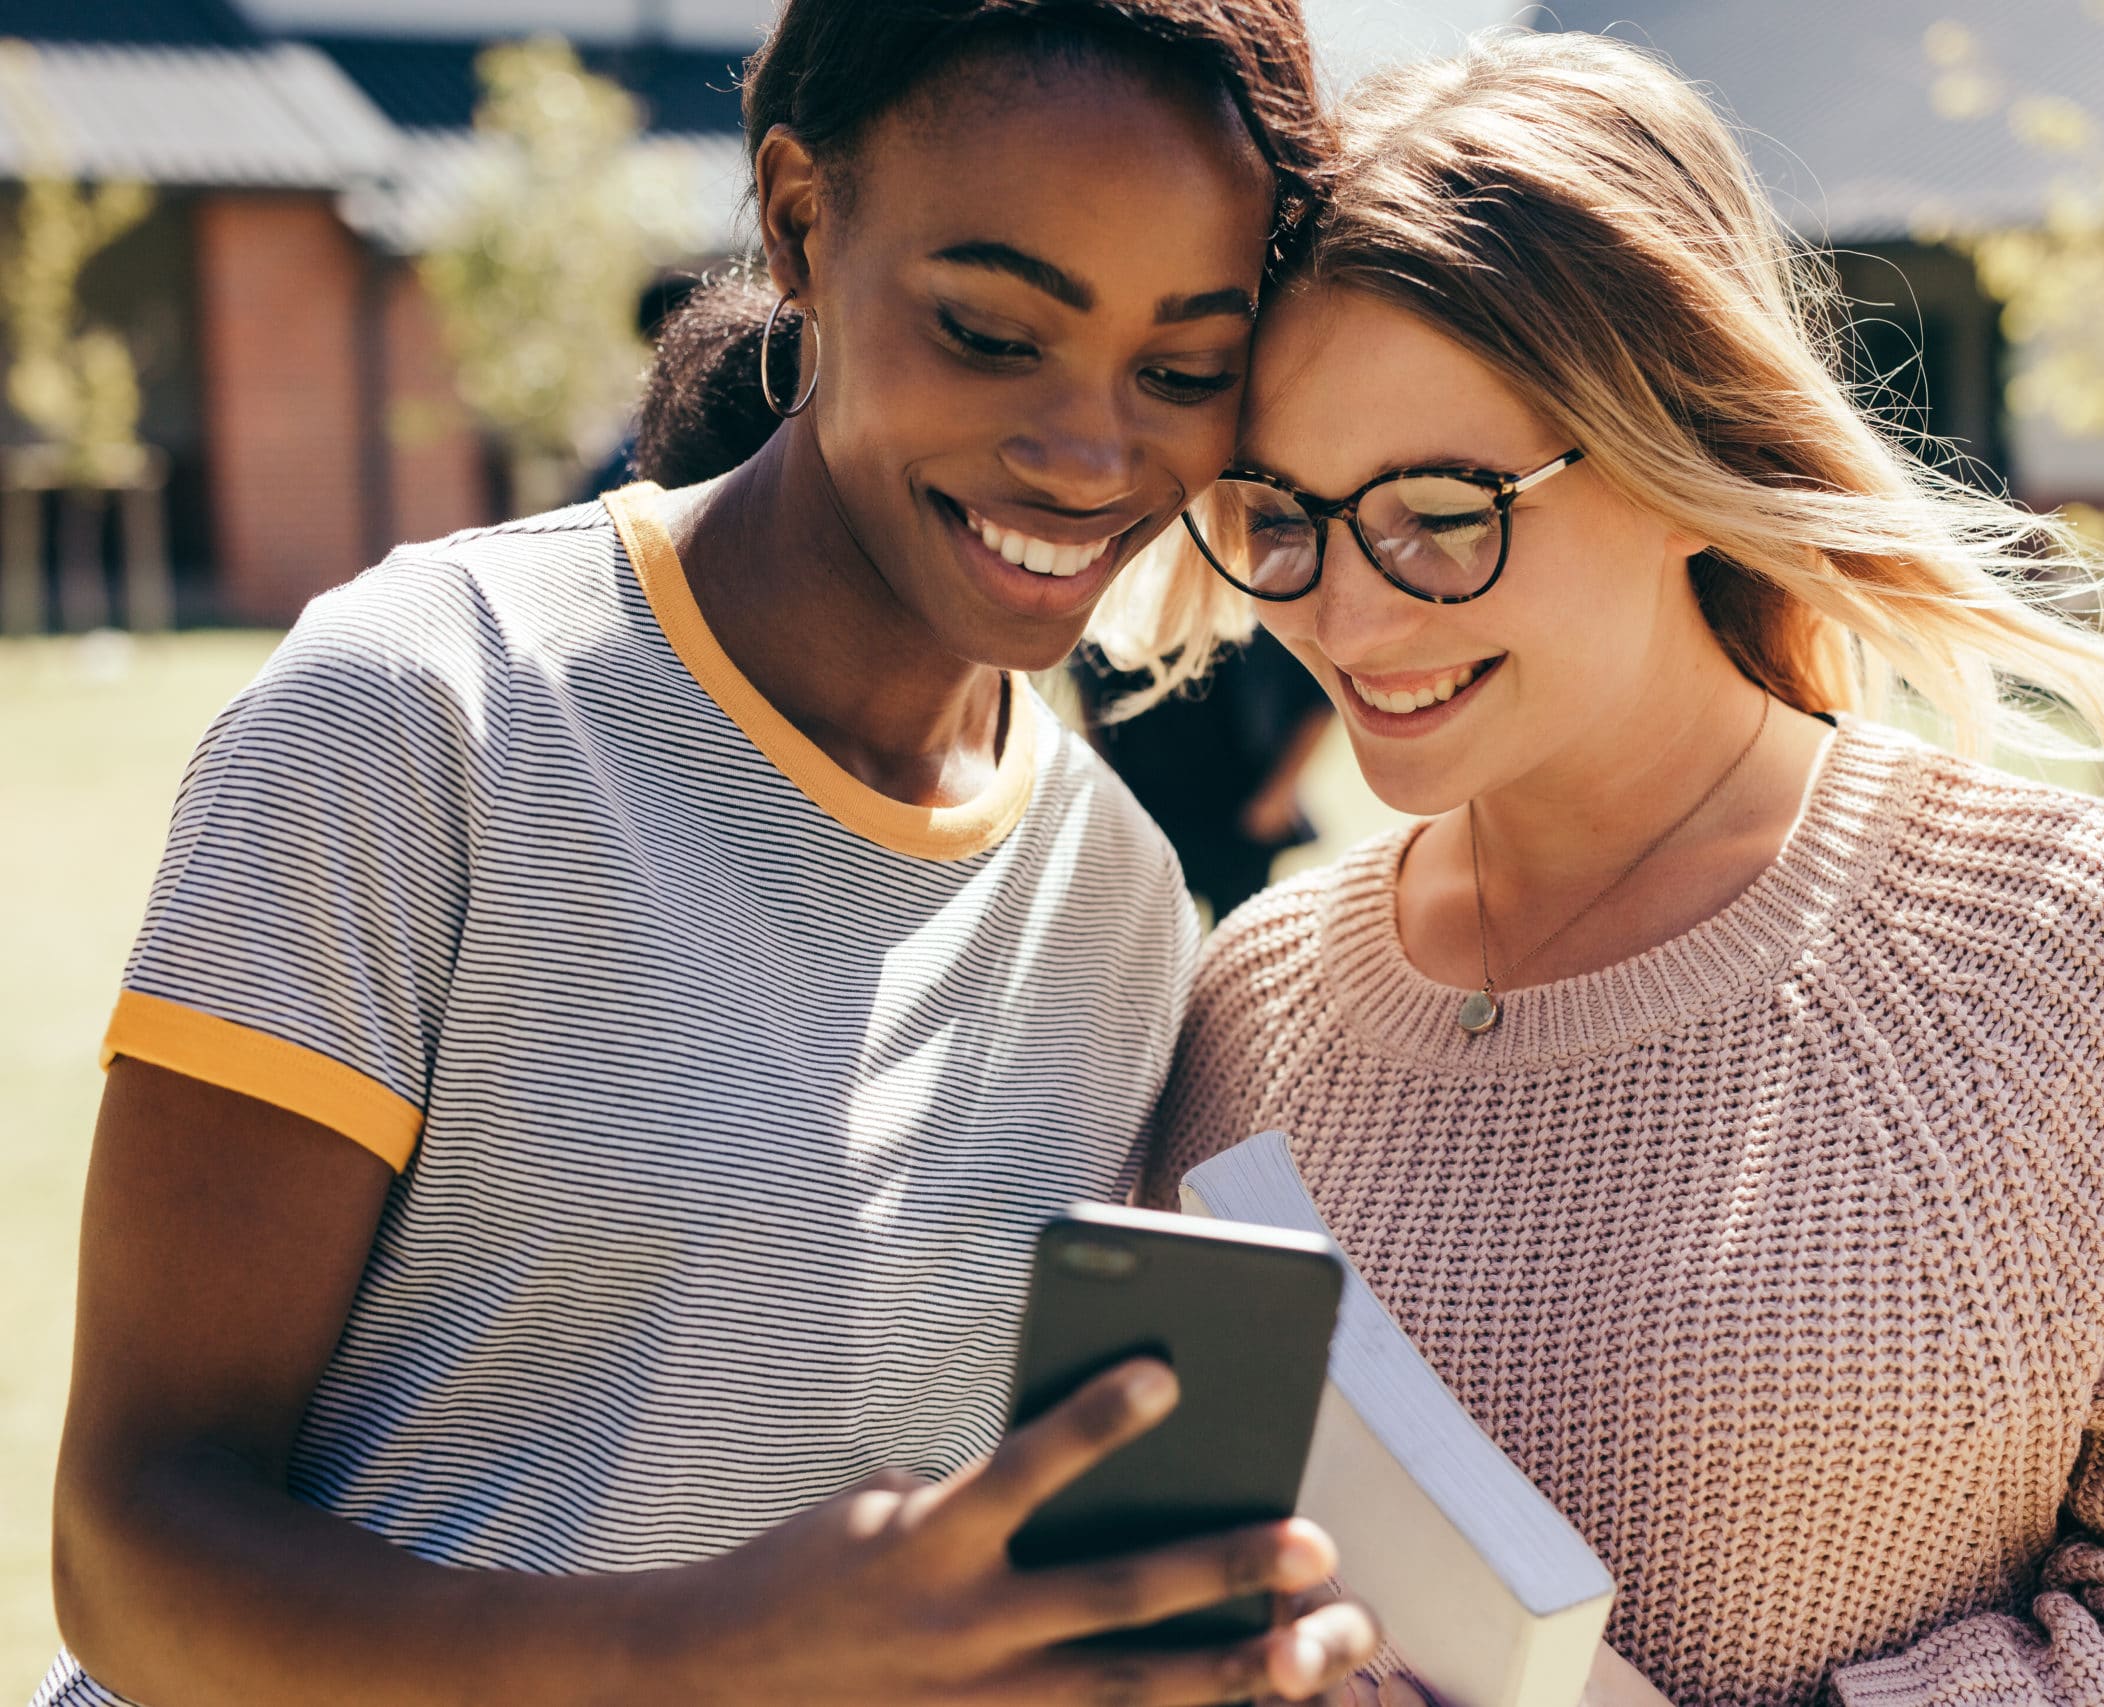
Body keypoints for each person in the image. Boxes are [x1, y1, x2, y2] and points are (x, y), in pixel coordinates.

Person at [39, 4, 1380, 1704]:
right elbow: (127, 1556)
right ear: (803, 224)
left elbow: (933, 1610)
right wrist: (697, 1653)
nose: (1089, 454)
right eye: (988, 330)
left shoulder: (1111, 897)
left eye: (1184, 370)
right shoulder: (420, 713)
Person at [1148, 32, 2104, 1707]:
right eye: (1284, 512)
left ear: (1684, 457)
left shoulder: (2056, 946)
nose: (1348, 615)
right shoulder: (1246, 1007)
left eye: (1443, 510)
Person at [1075, 625, 1336, 919]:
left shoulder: (1257, 601)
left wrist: (1278, 795)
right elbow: (1089, 687)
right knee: (1144, 940)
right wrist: (1110, 788)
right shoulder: (1126, 602)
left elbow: (1318, 699)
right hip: (1145, 806)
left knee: (1238, 945)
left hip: (1241, 813)